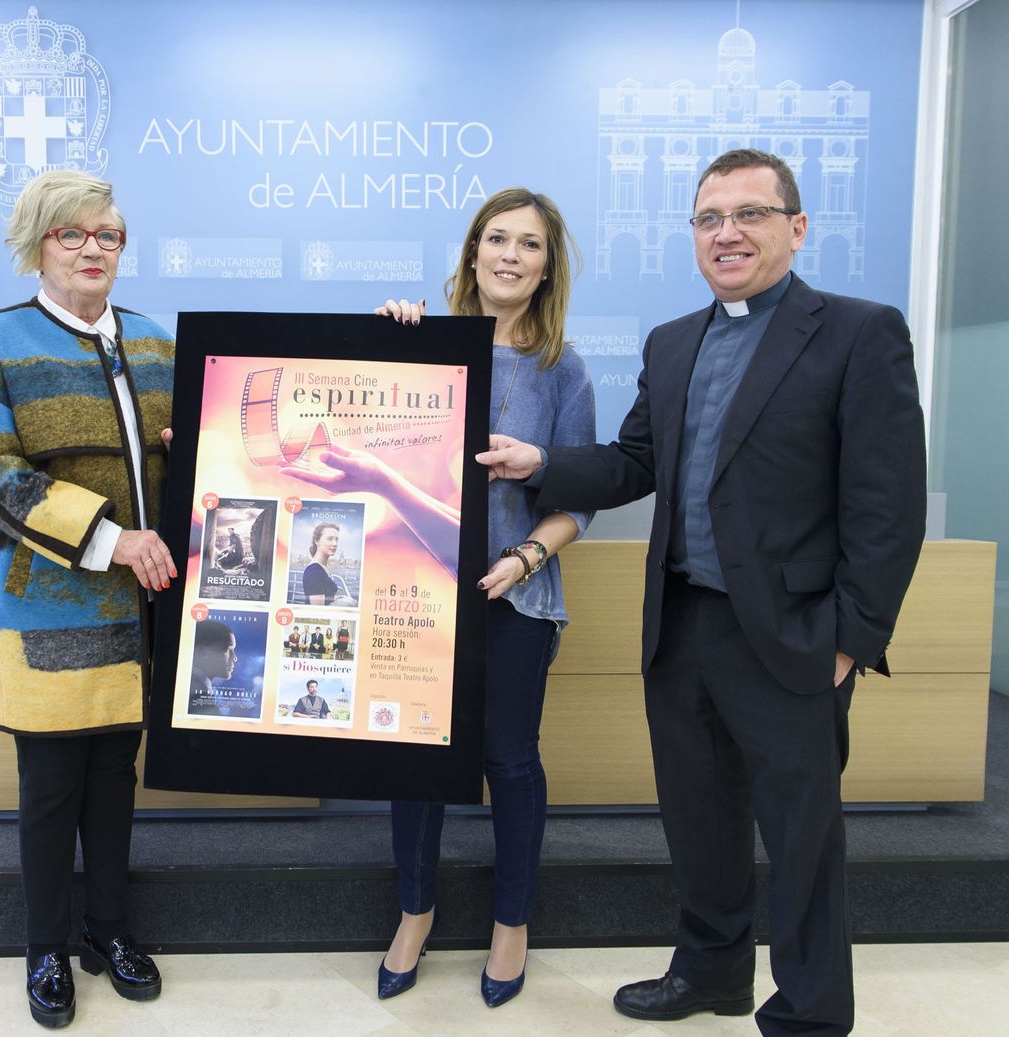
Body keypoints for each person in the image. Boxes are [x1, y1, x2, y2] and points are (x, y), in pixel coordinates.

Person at [479, 150, 926, 1035]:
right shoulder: (673, 340)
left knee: (801, 838)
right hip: (683, 626)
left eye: (750, 214)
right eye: (709, 218)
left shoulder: (859, 333)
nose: (728, 233)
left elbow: (889, 505)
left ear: (797, 227)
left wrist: (851, 639)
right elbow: (634, 463)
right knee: (699, 818)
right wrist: (542, 462)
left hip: (794, 636)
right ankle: (712, 972)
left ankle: (809, 1013)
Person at [0, 169, 175, 1029]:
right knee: (50, 787)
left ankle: (108, 930)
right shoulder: (3, 339)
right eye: (72, 233)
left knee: (116, 780)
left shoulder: (154, 342)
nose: (93, 248)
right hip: (46, 608)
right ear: (38, 244)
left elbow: (199, 457)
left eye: (107, 234)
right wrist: (109, 538)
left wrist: (187, 448)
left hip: (137, 612)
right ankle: (45, 947)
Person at [372, 187, 595, 1008]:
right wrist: (383, 338)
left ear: (547, 266)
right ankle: (415, 913)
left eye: (529, 244)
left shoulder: (564, 369)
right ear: (473, 252)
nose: (510, 254)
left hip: (515, 599)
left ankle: (511, 925)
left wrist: (528, 557)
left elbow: (579, 498)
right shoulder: (423, 343)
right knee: (415, 759)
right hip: (417, 591)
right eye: (497, 238)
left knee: (509, 760)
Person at [188, 618, 238, 714]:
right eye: (228, 649)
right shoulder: (197, 697)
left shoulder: (196, 690)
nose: (235, 658)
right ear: (203, 651)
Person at [298, 522, 343, 605]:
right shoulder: (315, 571)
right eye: (330, 539)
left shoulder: (321, 567)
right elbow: (318, 609)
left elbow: (323, 596)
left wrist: (335, 598)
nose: (335, 543)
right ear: (317, 541)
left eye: (336, 539)